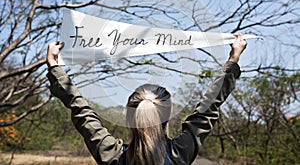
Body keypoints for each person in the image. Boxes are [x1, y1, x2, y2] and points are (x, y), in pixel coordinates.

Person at [46, 34, 247, 165]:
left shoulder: (114, 156)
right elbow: (208, 107)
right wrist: (233, 60)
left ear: (130, 119)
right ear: (167, 118)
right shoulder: (180, 153)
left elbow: (84, 115)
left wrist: (55, 68)